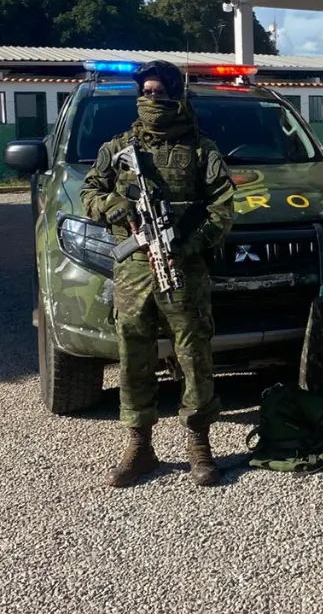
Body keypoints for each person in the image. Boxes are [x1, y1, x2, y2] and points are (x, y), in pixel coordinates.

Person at [82, 61, 236, 488]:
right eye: (145, 92)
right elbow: (89, 191)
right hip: (133, 273)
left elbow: (223, 208)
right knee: (134, 357)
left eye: (159, 92)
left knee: (194, 356)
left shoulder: (202, 150)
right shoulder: (117, 149)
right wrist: (112, 206)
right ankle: (139, 446)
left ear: (176, 94)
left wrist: (190, 243)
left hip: (182, 269)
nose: (152, 100)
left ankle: (199, 445)